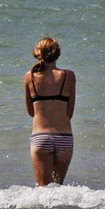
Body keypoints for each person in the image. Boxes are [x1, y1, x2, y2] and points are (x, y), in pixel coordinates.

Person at [23, 37, 76, 186]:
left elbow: (31, 112)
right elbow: (69, 113)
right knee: (58, 188)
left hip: (41, 137)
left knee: (43, 190)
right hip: (64, 137)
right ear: (57, 54)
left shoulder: (30, 76)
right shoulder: (68, 76)